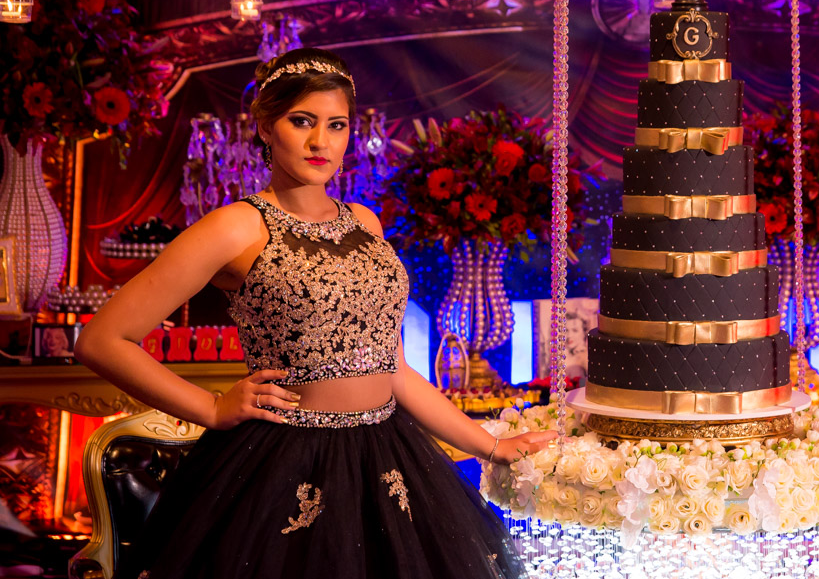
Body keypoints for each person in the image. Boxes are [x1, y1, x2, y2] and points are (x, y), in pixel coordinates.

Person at [76, 48, 554, 579]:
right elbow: (101, 341)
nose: (319, 142)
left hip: (387, 456)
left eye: (336, 125)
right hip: (281, 464)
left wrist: (492, 446)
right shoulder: (237, 227)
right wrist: (211, 407)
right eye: (301, 121)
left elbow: (394, 371)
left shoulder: (365, 224)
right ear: (265, 126)